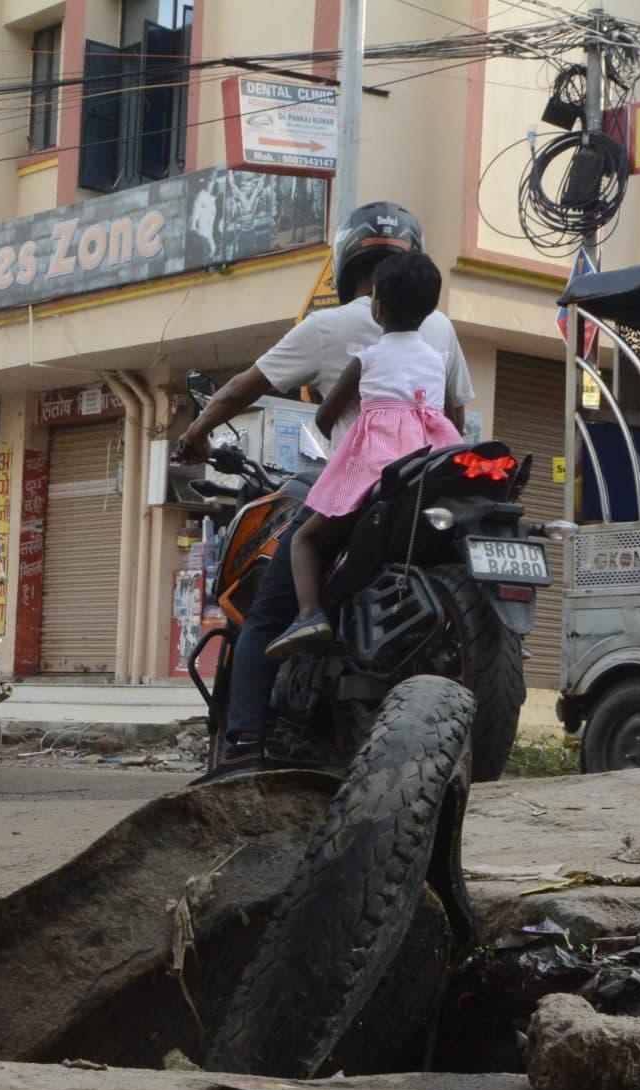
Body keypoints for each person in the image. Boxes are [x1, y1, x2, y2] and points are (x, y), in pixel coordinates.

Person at [171, 203, 472, 770]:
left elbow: (242, 391)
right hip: (432, 484)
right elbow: (452, 411)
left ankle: (243, 748)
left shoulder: (332, 329)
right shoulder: (443, 331)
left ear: (352, 268)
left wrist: (194, 432)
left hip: (363, 490)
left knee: (265, 611)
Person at [267, 252, 464, 658]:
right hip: (430, 456)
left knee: (304, 537)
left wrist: (326, 428)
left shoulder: (367, 358)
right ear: (430, 309)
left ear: (377, 306)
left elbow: (326, 415)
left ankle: (308, 615)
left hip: (376, 462)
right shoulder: (437, 359)